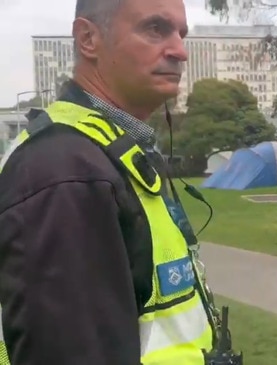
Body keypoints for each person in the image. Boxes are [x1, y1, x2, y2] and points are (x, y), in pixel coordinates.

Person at [0, 0, 223, 364]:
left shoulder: (110, 151)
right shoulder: (65, 173)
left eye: (181, 34)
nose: (180, 51)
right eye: (155, 29)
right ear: (88, 38)